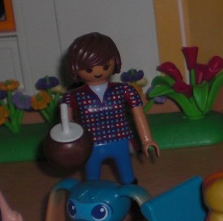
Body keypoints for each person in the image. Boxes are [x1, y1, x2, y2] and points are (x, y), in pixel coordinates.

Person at [62, 32, 158, 184]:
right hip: (90, 145)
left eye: (105, 65)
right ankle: (92, 195)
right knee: (92, 179)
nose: (98, 72)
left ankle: (131, 193)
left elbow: (138, 114)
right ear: (76, 68)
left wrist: (147, 140)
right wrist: (69, 148)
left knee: (127, 176)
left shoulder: (125, 90)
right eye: (89, 69)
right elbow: (67, 127)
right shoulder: (73, 96)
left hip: (120, 140)